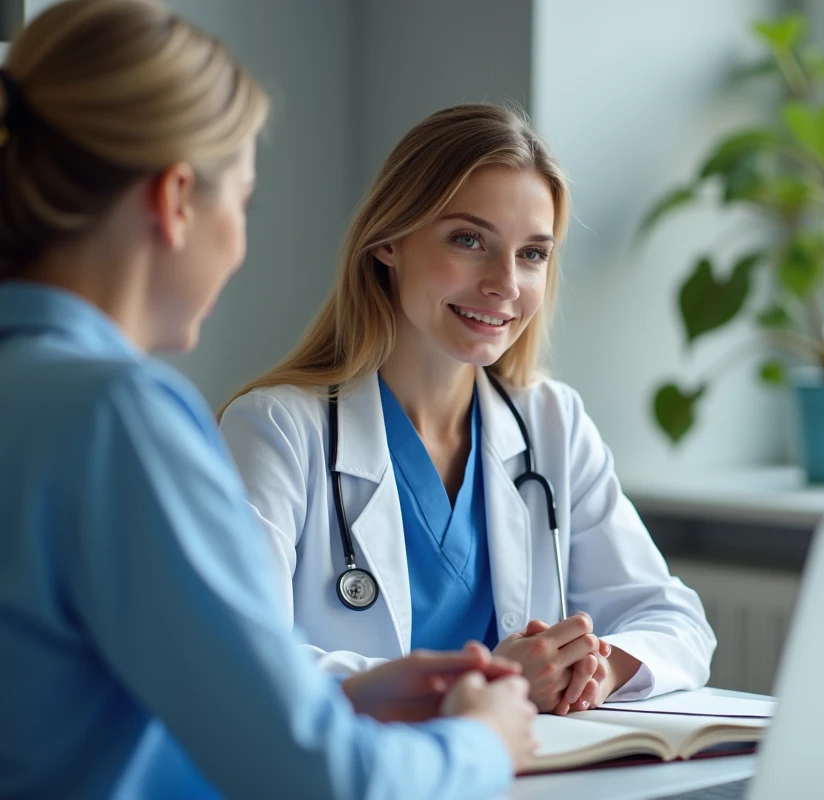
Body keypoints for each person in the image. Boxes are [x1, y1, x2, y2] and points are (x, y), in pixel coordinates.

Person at [0, 2, 536, 797]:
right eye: (241, 201)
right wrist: (484, 740)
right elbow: (327, 782)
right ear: (177, 199)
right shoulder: (119, 417)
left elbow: (84, 703)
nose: (241, 243)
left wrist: (333, 693)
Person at [218, 103, 717, 716]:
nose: (505, 282)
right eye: (468, 239)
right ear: (388, 244)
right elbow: (236, 656)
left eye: (532, 253)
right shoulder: (276, 431)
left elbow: (674, 619)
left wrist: (598, 665)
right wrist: (472, 686)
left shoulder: (550, 424)